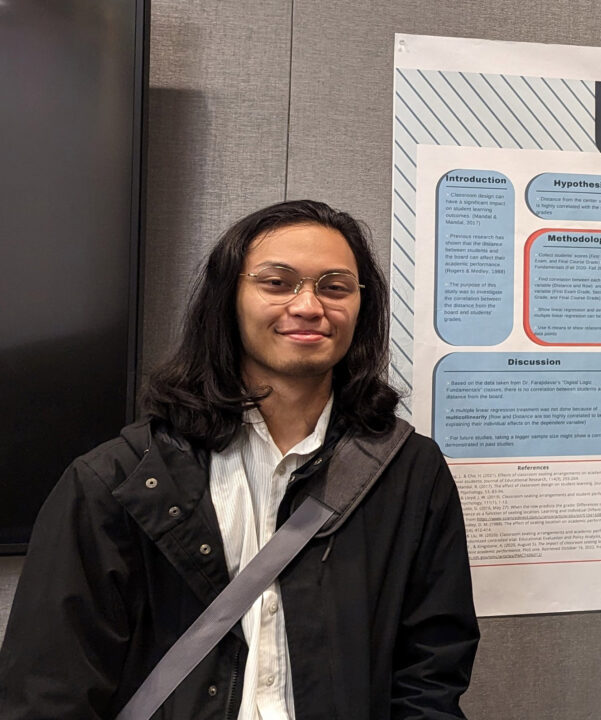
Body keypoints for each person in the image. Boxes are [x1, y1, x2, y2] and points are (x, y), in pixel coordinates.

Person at [0, 200, 479, 719]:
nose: (308, 306)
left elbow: (430, 671)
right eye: (278, 283)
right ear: (227, 297)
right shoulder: (120, 481)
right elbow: (47, 691)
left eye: (335, 287)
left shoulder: (409, 471)